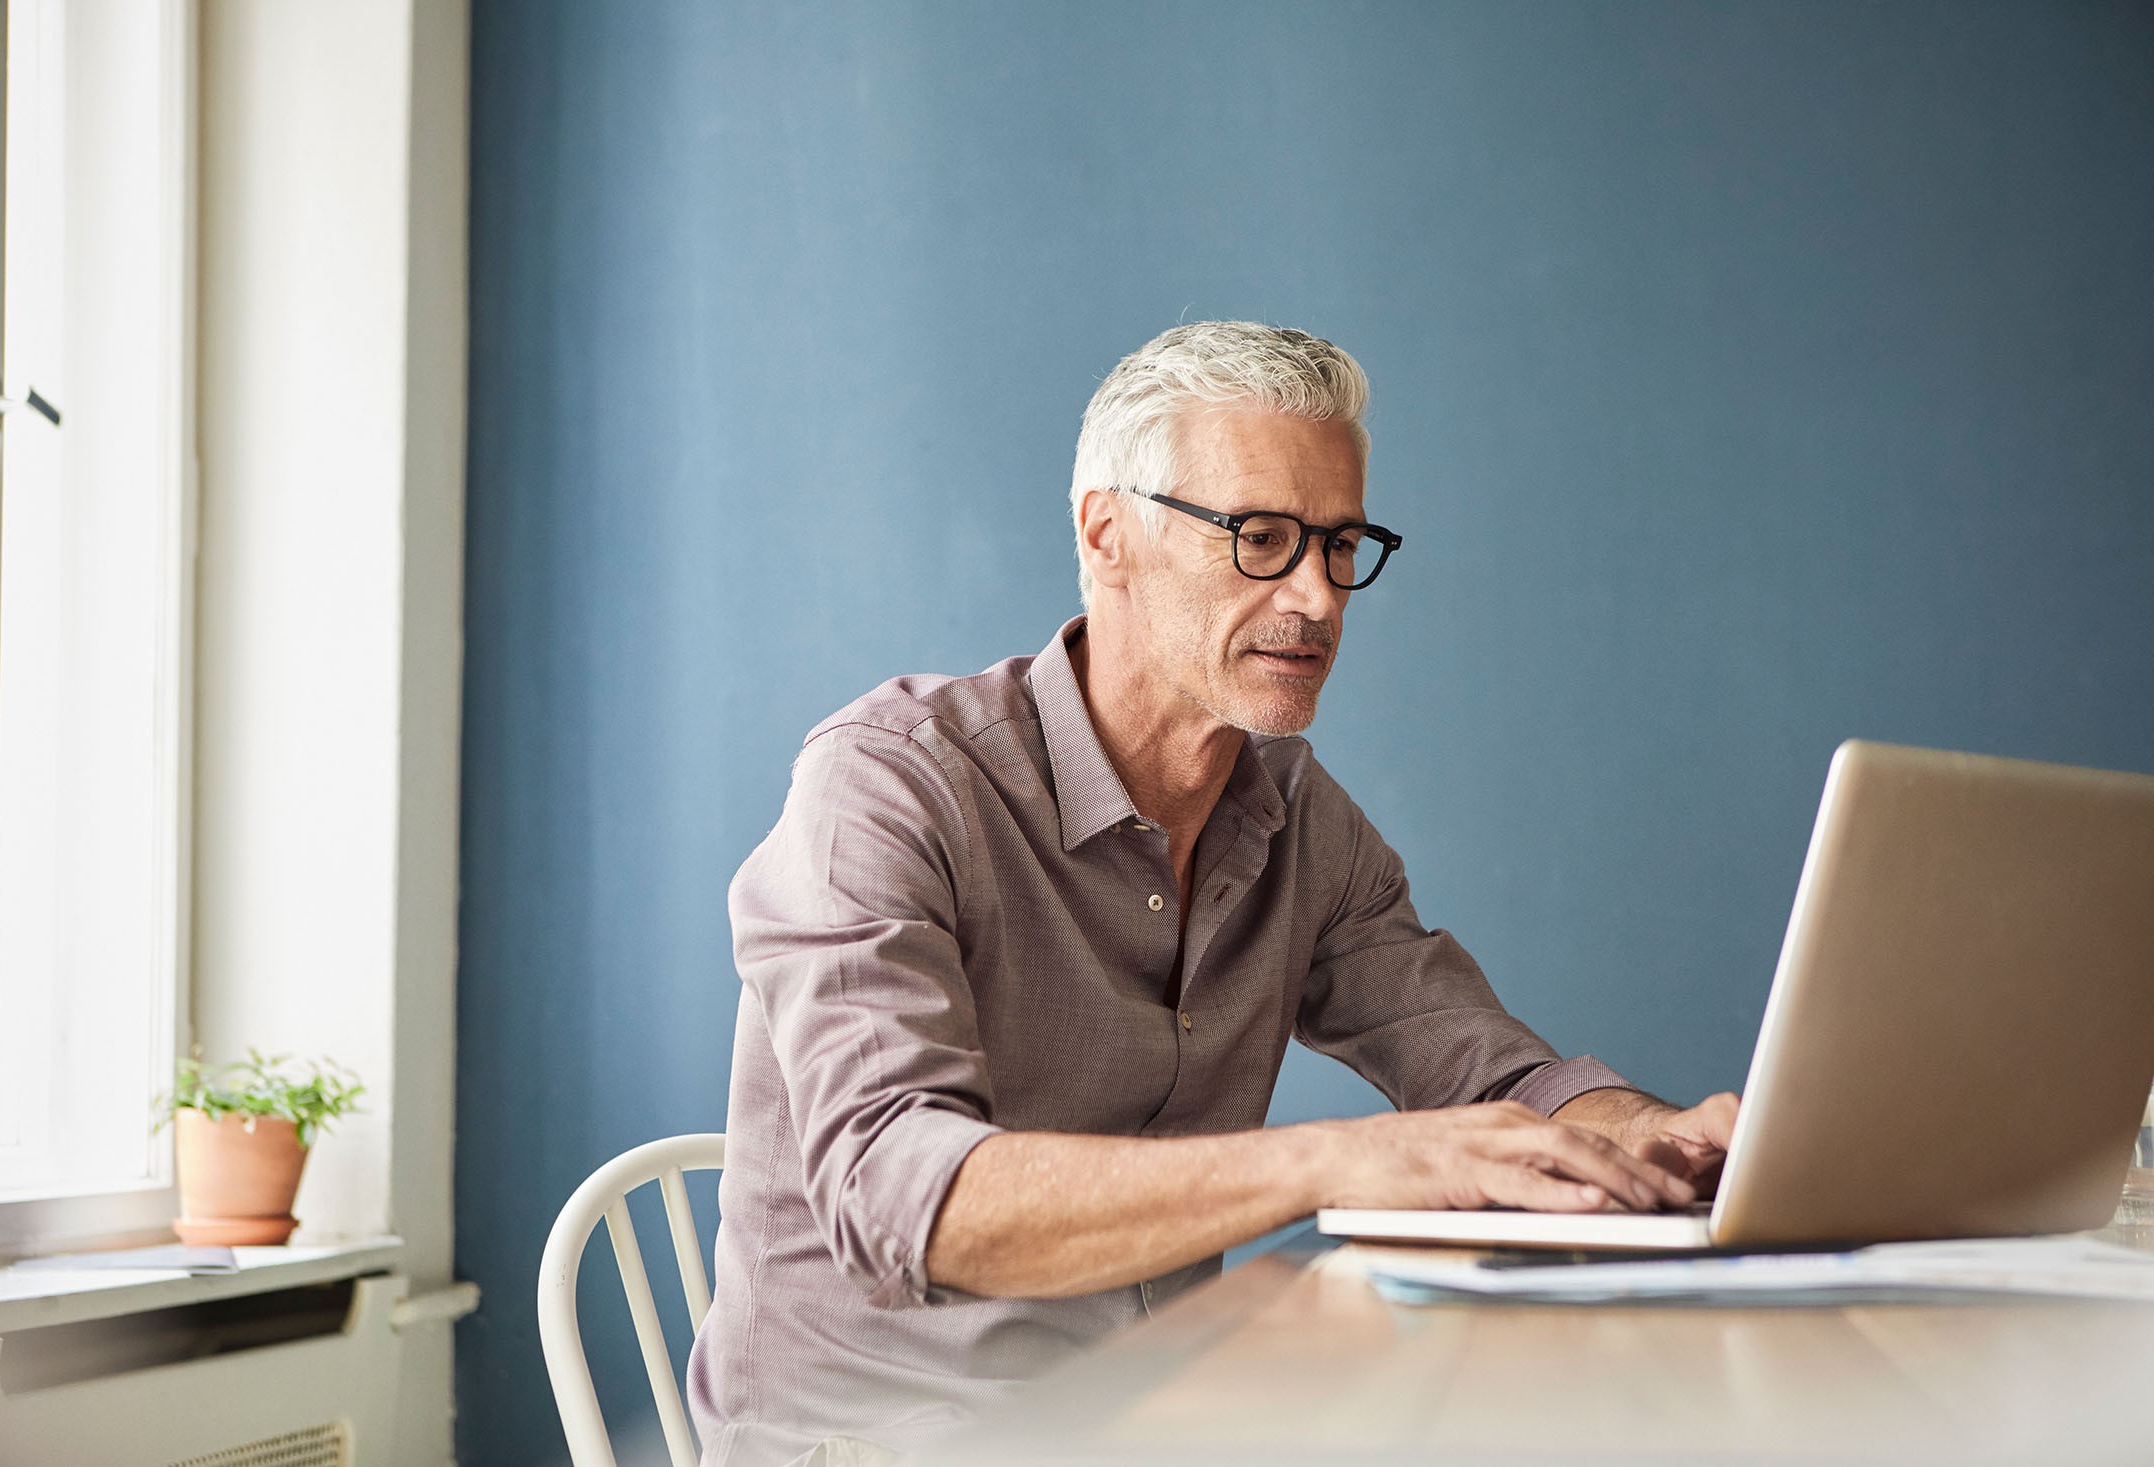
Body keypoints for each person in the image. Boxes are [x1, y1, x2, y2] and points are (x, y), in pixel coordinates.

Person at [686, 322, 1738, 1467]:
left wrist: (1655, 1142)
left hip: (1158, 1422)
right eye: (1262, 538)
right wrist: (1336, 1162)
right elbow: (902, 1200)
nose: (1320, 598)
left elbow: (1494, 1074)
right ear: (1107, 535)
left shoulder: (1295, 817)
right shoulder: (889, 784)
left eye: (1341, 546)